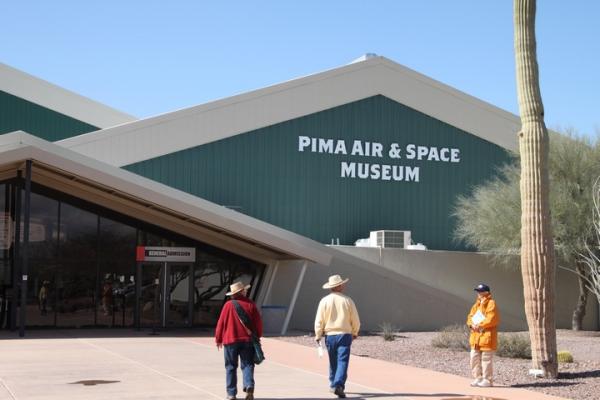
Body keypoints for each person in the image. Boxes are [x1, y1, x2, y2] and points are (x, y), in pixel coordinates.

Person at [314, 274, 361, 398]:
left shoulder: (324, 301)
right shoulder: (348, 300)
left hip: (330, 335)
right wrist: (355, 332)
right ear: (339, 286)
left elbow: (319, 320)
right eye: (342, 284)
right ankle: (338, 385)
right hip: (344, 334)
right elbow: (355, 319)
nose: (343, 285)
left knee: (333, 360)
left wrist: (318, 334)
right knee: (342, 361)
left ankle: (333, 383)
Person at [215, 281, 263, 400]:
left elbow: (220, 323)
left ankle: (231, 394)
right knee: (247, 364)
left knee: (230, 366)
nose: (246, 291)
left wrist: (218, 339)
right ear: (242, 292)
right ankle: (249, 385)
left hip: (230, 340)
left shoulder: (227, 305)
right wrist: (258, 336)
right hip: (247, 340)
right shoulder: (250, 304)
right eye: (245, 290)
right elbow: (258, 323)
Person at [466, 283, 499, 388]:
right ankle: (478, 378)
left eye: (481, 291)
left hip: (487, 337)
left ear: (487, 292)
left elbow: (492, 318)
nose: (479, 293)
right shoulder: (476, 305)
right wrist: (471, 325)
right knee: (474, 358)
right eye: (478, 291)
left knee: (486, 360)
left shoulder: (491, 303)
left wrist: (480, 325)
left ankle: (487, 380)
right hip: (476, 337)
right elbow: (470, 317)